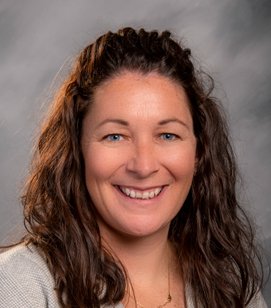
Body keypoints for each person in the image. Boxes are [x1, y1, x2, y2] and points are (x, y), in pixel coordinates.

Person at [0, 27, 267, 308]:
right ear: (76, 150)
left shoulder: (230, 285)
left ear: (199, 152)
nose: (143, 166)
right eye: (115, 136)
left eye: (168, 135)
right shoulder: (18, 285)